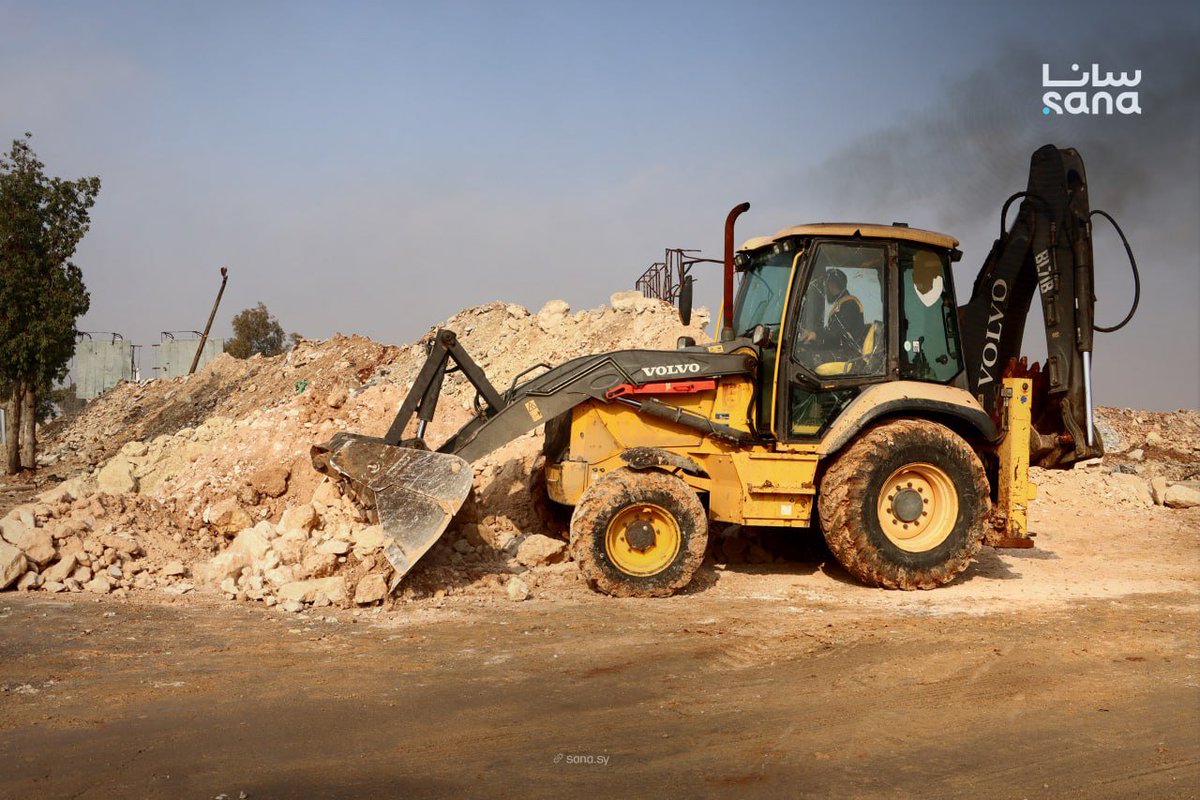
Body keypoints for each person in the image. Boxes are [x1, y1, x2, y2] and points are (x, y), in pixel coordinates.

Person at [798, 268, 866, 360]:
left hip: (849, 356)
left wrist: (816, 334)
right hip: (842, 352)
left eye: (825, 285)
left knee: (805, 358)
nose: (825, 289)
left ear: (831, 284)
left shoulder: (849, 304)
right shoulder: (842, 303)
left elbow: (837, 330)